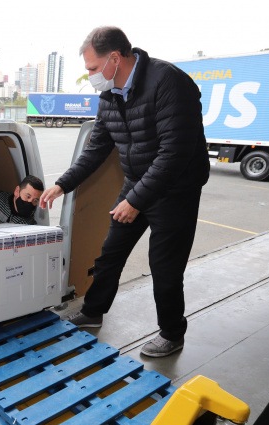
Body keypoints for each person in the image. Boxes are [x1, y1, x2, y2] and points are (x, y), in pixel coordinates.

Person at [39, 26, 209, 358]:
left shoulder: (168, 82)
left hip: (176, 190)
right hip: (137, 183)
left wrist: (135, 200)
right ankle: (93, 311)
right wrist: (63, 183)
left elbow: (175, 153)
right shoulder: (110, 94)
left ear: (115, 58)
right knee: (110, 254)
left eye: (92, 67)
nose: (90, 75)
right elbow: (96, 148)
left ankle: (172, 333)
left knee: (165, 268)